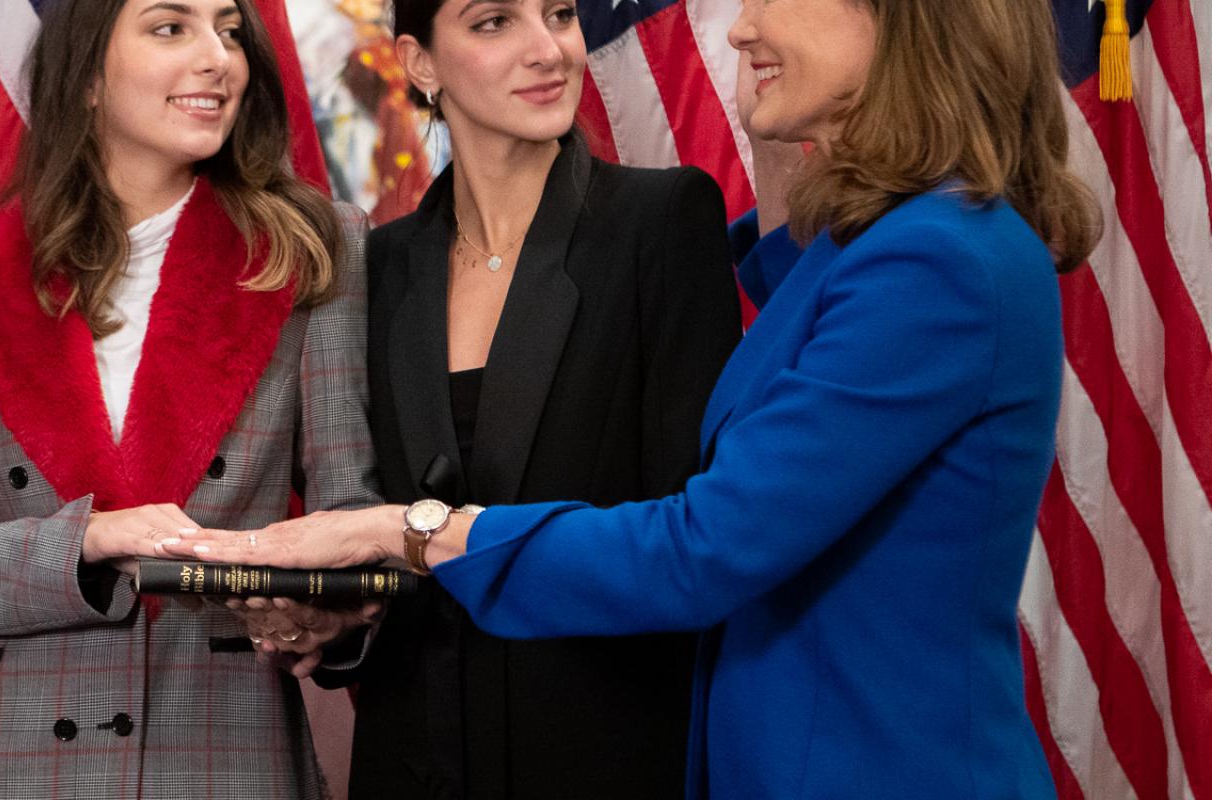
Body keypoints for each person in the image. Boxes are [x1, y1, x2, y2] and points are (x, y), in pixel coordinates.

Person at [166, 0, 1103, 795]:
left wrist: (399, 530)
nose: (742, 30)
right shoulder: (877, 251)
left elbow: (701, 548)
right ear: (419, 64)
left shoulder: (936, 260)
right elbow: (791, 291)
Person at [0, 0, 379, 794]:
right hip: (7, 769)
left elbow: (354, 534)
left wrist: (328, 619)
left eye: (230, 30)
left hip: (222, 761)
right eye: (171, 27)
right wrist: (88, 540)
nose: (218, 59)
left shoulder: (313, 253)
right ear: (88, 76)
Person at [243, 0, 743, 794]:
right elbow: (379, 535)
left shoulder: (664, 220)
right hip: (410, 762)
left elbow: (695, 541)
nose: (550, 50)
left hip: (606, 756)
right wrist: (336, 626)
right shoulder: (378, 265)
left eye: (560, 14)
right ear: (419, 64)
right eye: (494, 22)